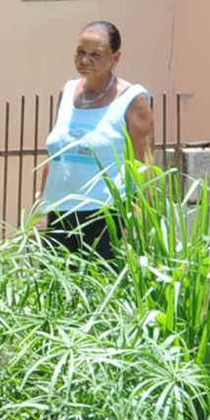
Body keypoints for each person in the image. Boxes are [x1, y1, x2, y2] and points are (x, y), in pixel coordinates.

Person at [39, 20, 154, 259]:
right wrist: (40, 209)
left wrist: (138, 223)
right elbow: (55, 156)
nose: (84, 60)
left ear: (116, 57)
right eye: (80, 52)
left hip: (106, 219)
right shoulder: (68, 91)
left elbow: (144, 167)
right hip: (59, 215)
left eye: (95, 55)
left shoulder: (133, 100)